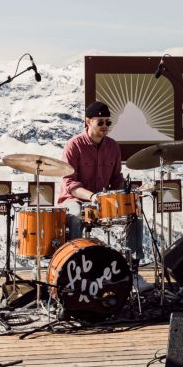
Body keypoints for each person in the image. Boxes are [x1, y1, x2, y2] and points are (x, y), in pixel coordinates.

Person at [58, 100, 143, 263]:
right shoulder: (73, 146)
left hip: (104, 201)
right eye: (101, 122)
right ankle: (74, 264)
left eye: (108, 122)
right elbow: (69, 184)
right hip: (74, 199)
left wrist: (130, 190)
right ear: (88, 121)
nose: (105, 125)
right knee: (75, 215)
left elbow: (116, 178)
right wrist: (92, 197)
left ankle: (133, 265)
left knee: (135, 212)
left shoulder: (113, 147)